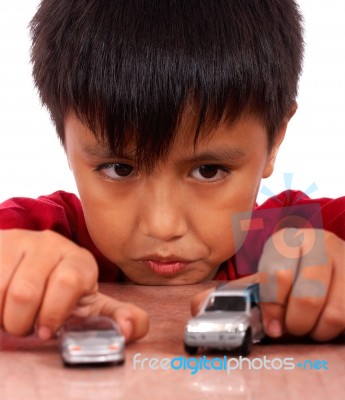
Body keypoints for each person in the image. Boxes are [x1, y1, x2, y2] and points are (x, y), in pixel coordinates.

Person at [0, 0, 344, 344]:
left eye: (208, 171)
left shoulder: (296, 235)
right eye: (120, 169)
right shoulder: (41, 235)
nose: (163, 227)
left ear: (275, 140)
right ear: (67, 142)